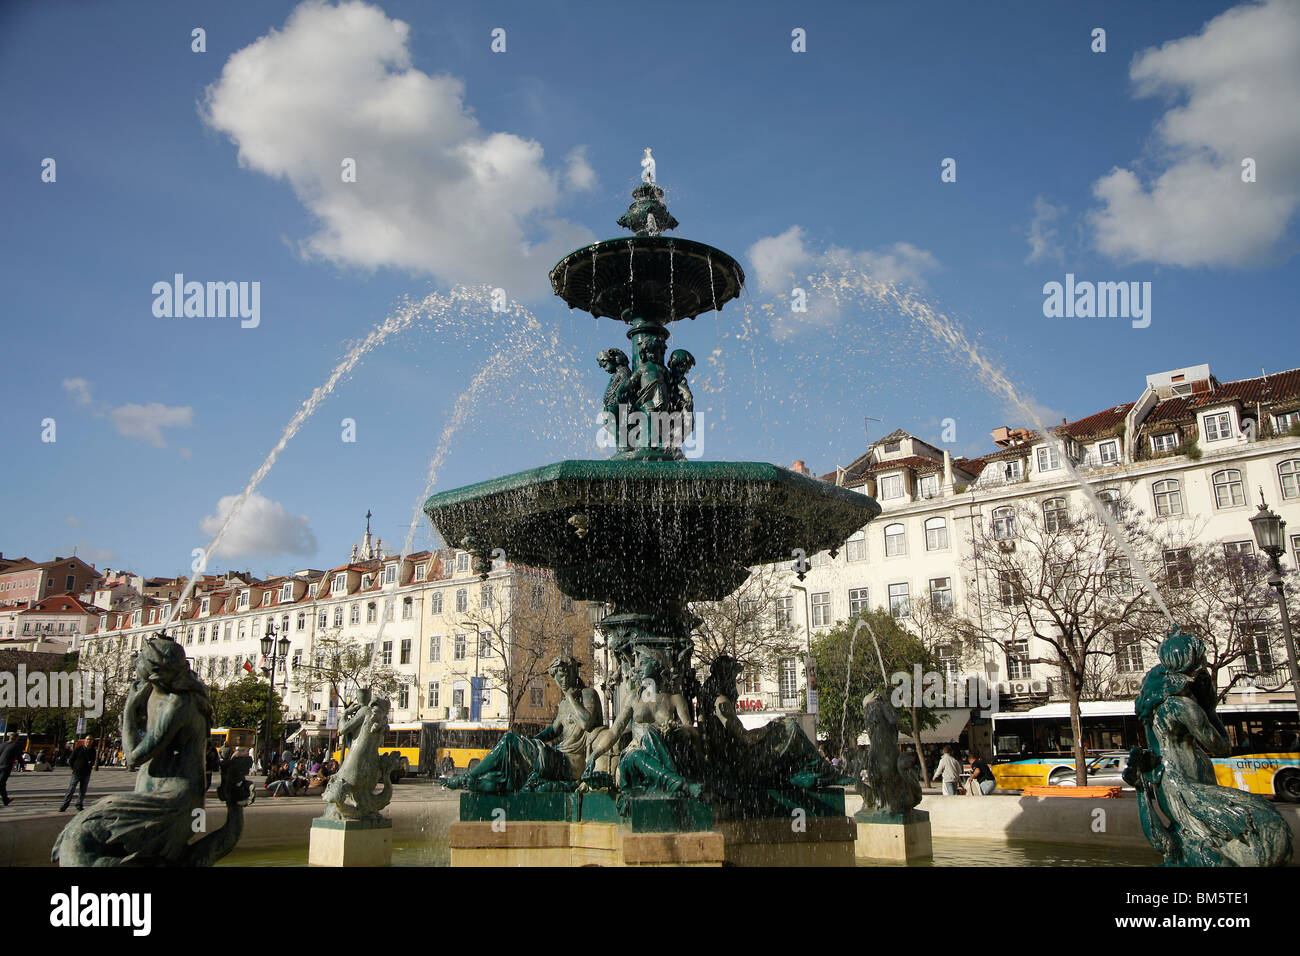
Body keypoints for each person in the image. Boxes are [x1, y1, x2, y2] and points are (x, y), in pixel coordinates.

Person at [60, 737, 95, 812]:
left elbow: (93, 759)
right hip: (77, 772)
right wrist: (74, 768)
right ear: (85, 741)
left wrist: (90, 764)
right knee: (71, 789)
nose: (89, 741)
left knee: (83, 790)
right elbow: (71, 759)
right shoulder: (78, 749)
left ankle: (79, 804)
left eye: (90, 740)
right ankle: (64, 805)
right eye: (88, 739)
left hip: (86, 773)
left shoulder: (93, 750)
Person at [0, 733, 25, 805]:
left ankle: (6, 800)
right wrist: (22, 765)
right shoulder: (15, 746)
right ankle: (5, 799)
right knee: (1, 783)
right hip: (6, 767)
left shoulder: (2, 744)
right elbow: (19, 756)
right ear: (16, 738)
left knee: (2, 783)